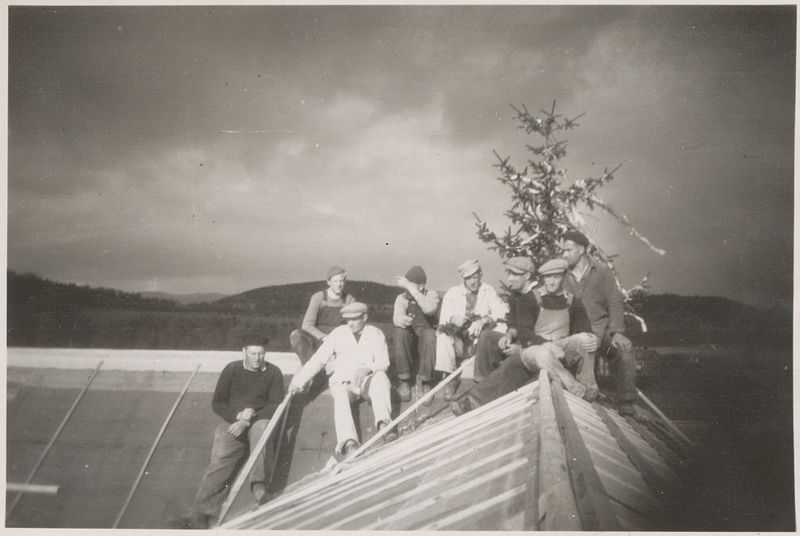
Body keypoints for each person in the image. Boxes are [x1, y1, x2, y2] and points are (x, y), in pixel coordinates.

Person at [451, 258, 598, 416]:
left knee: (587, 339)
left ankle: (590, 388)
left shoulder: (572, 301)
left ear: (563, 277)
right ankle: (577, 389)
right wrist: (542, 343)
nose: (552, 281)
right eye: (548, 277)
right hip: (536, 348)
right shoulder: (531, 299)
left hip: (560, 345)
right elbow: (525, 332)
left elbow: (583, 330)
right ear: (543, 278)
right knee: (536, 354)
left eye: (556, 277)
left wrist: (594, 339)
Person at [170, 338, 285, 529]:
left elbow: (275, 405)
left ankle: (258, 486)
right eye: (253, 354)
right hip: (233, 422)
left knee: (262, 429)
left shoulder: (273, 372)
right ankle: (200, 512)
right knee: (220, 458)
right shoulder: (231, 370)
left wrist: (247, 420)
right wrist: (238, 416)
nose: (257, 358)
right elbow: (218, 403)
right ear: (244, 352)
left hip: (257, 421)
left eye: (261, 354)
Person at [288, 302, 395, 461]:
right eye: (347, 320)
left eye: (354, 319)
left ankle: (384, 425)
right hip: (344, 383)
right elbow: (318, 360)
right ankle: (349, 442)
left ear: (364, 317)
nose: (350, 323)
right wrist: (298, 382)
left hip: (367, 382)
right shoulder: (338, 333)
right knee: (340, 395)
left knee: (381, 378)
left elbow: (384, 362)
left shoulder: (376, 334)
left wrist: (368, 368)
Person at [560, 229, 639, 416]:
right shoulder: (563, 276)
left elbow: (614, 301)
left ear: (581, 249)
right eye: (562, 251)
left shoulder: (602, 272)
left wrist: (617, 332)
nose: (564, 254)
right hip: (577, 336)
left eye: (568, 250)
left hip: (602, 338)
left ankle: (626, 400)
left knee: (623, 352)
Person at [435, 259, 508, 400]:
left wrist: (484, 320)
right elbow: (443, 320)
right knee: (443, 337)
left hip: (479, 339)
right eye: (468, 278)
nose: (473, 282)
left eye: (475, 277)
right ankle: (450, 378)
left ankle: (485, 376)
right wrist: (454, 319)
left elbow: (501, 311)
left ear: (480, 275)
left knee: (500, 328)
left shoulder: (488, 290)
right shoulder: (453, 293)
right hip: (459, 340)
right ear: (462, 279)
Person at [473, 256, 536, 382]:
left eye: (515, 275)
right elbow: (513, 323)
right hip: (519, 341)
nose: (510, 279)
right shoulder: (515, 296)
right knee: (486, 337)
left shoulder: (537, 297)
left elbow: (544, 335)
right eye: (509, 274)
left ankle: (489, 389)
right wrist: (509, 335)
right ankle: (482, 381)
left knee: (511, 363)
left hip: (533, 347)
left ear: (528, 276)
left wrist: (522, 350)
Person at [391, 265, 440, 403]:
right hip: (410, 340)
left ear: (420, 286)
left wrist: (414, 291)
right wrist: (403, 320)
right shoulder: (402, 298)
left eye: (409, 285)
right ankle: (404, 380)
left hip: (426, 341)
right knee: (400, 332)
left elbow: (429, 309)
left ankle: (426, 382)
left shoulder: (431, 295)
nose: (406, 289)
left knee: (430, 335)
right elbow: (396, 318)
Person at [290, 265, 355, 364]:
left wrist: (337, 340)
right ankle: (312, 368)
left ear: (345, 282)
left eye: (341, 281)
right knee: (296, 335)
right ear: (328, 282)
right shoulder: (319, 297)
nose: (339, 284)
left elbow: (353, 325)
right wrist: (324, 337)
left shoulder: (349, 299)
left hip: (339, 341)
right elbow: (307, 325)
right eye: (335, 281)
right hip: (319, 340)